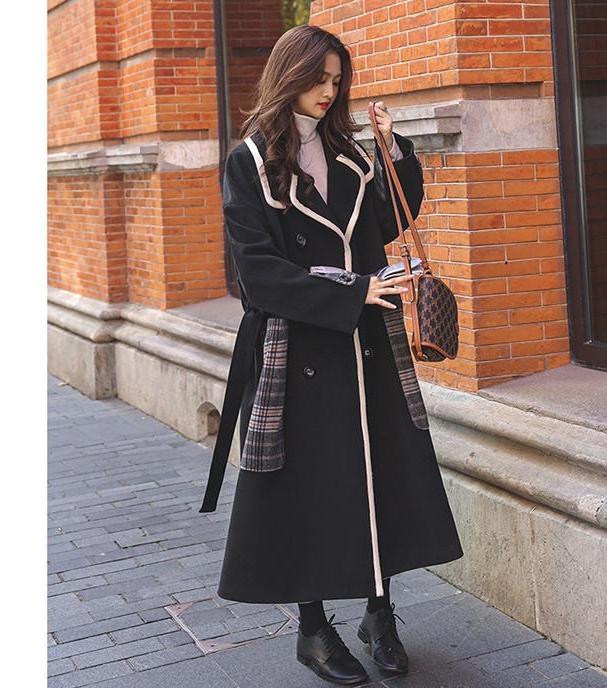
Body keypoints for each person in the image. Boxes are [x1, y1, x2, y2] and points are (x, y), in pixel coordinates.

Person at [200, 24, 463, 686]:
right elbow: (256, 273)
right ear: (290, 75)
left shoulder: (349, 152)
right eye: (318, 78)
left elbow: (387, 222)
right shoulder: (249, 161)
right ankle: (313, 630)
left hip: (366, 346)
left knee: (379, 476)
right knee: (305, 490)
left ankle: (380, 616)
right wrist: (352, 290)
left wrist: (391, 148)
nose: (328, 91)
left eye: (337, 80)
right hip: (296, 347)